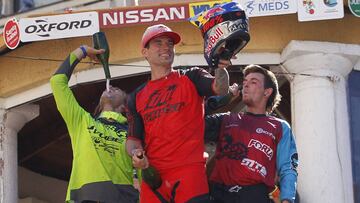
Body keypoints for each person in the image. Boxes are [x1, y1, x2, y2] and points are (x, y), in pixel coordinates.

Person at [126, 24, 233, 203]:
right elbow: (132, 139)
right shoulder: (135, 97)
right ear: (145, 52)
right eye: (158, 43)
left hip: (189, 171)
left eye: (169, 43)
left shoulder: (192, 77)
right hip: (154, 176)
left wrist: (221, 67)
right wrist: (136, 154)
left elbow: (220, 88)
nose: (166, 47)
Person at [50, 45, 139, 203]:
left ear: (125, 107)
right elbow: (57, 82)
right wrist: (82, 51)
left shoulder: (133, 132)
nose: (110, 87)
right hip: (84, 197)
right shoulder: (81, 120)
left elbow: (143, 169)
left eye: (117, 88)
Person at [205, 64, 298, 203]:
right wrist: (223, 98)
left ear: (267, 92)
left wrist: (287, 199)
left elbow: (288, 168)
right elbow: (191, 123)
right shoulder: (227, 119)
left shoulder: (280, 126)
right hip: (218, 194)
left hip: (254, 195)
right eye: (245, 82)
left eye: (253, 82)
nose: (246, 86)